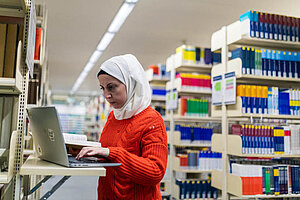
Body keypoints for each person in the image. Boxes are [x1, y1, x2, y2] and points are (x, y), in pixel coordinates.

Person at [76, 54, 168, 200]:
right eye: (103, 88)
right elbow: (107, 153)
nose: (106, 95)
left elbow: (155, 172)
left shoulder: (152, 120)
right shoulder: (114, 116)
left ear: (131, 82)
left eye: (111, 87)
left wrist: (111, 153)